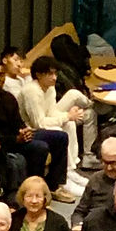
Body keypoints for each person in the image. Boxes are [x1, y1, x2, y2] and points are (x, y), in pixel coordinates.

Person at [0, 61, 72, 203]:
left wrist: (24, 130)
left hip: (19, 135)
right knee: (40, 147)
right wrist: (16, 139)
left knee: (60, 137)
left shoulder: (8, 97)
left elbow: (18, 121)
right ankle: (34, 190)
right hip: (6, 142)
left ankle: (53, 185)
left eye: (1, 75)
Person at [18, 54, 96, 184]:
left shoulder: (50, 87)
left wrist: (68, 117)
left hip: (45, 120)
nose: (54, 78)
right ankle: (64, 177)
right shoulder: (31, 91)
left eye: (55, 73)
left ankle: (71, 170)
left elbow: (52, 111)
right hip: (31, 128)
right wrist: (67, 116)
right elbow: (39, 123)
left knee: (70, 122)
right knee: (59, 131)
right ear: (39, 75)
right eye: (50, 74)